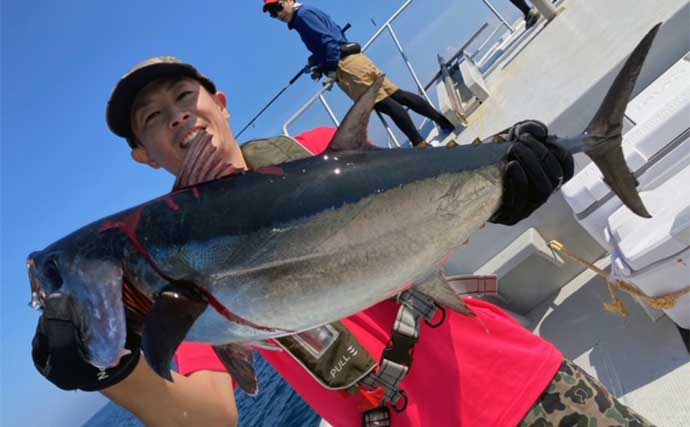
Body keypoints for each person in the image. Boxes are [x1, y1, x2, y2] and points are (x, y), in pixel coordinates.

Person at [31, 57, 657, 427]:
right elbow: (212, 417)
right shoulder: (167, 284)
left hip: (518, 384)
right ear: (145, 156)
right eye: (151, 118)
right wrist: (104, 371)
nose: (175, 116)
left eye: (184, 96)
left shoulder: (317, 154)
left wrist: (509, 178)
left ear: (220, 105)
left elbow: (429, 218)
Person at [262, 0, 457, 148]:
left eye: (277, 7)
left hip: (348, 67)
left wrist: (329, 69)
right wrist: (318, 61)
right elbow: (334, 35)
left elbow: (329, 42)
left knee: (386, 104)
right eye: (271, 13)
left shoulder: (303, 17)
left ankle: (421, 146)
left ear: (288, 0)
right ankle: (444, 122)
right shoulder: (306, 14)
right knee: (398, 95)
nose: (276, 14)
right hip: (355, 60)